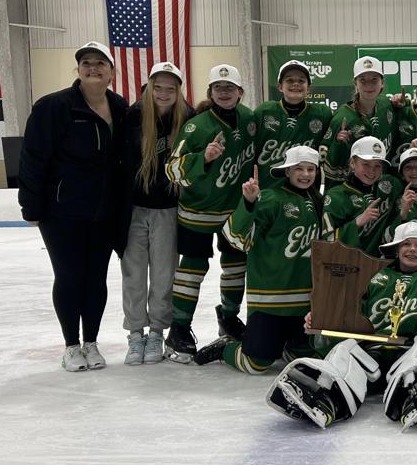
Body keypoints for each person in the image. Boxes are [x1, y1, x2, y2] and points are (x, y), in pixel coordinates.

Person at [265, 222, 417, 430]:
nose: (412, 249)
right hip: (370, 359)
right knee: (343, 350)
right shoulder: (373, 277)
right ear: (396, 249)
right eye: (406, 244)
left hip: (406, 355)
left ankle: (413, 399)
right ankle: (325, 401)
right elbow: (346, 316)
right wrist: (321, 321)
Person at [18, 40, 128, 372]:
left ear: (112, 71)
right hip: (62, 211)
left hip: (104, 212)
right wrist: (31, 206)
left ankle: (91, 343)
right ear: (78, 70)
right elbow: (33, 160)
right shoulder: (53, 107)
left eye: (100, 64)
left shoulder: (120, 107)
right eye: (87, 63)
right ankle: (70, 345)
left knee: (95, 278)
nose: (93, 68)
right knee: (68, 276)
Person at [193, 146, 326, 372]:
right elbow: (236, 238)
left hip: (305, 304)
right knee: (256, 364)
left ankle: (286, 344)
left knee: (305, 357)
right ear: (287, 171)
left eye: (310, 169)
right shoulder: (271, 198)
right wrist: (249, 202)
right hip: (270, 303)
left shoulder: (319, 201)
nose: (305, 174)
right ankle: (227, 347)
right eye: (299, 169)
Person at [164, 64, 256, 362]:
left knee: (235, 266)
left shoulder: (249, 120)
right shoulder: (197, 126)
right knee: (192, 269)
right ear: (210, 92)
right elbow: (172, 170)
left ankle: (228, 317)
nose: (225, 92)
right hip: (198, 211)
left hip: (233, 210)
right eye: (219, 87)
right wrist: (202, 157)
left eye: (230, 88)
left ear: (240, 92)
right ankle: (179, 327)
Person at [120, 61, 193, 365]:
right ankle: (136, 333)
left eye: (170, 88)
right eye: (158, 87)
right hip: (134, 209)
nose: (163, 93)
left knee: (164, 275)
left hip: (168, 210)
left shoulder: (189, 118)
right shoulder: (133, 116)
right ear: (149, 87)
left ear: (178, 90)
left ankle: (157, 333)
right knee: (134, 273)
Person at [252, 60, 333, 189]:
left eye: (301, 81)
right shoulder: (264, 112)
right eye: (289, 80)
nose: (296, 84)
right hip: (269, 193)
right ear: (280, 86)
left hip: (306, 195)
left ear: (308, 87)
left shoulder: (322, 114)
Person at [322, 136, 403, 257]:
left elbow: (415, 178)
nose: (372, 171)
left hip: (380, 268)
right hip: (343, 266)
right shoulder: (335, 196)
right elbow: (323, 243)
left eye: (378, 166)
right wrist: (357, 223)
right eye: (366, 164)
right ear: (352, 163)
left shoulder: (389, 186)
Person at [323, 56, 396, 186]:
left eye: (374, 80)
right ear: (355, 83)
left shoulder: (387, 105)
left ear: (382, 82)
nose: (369, 85)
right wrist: (338, 145)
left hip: (382, 187)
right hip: (353, 191)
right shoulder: (342, 118)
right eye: (363, 80)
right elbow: (329, 167)